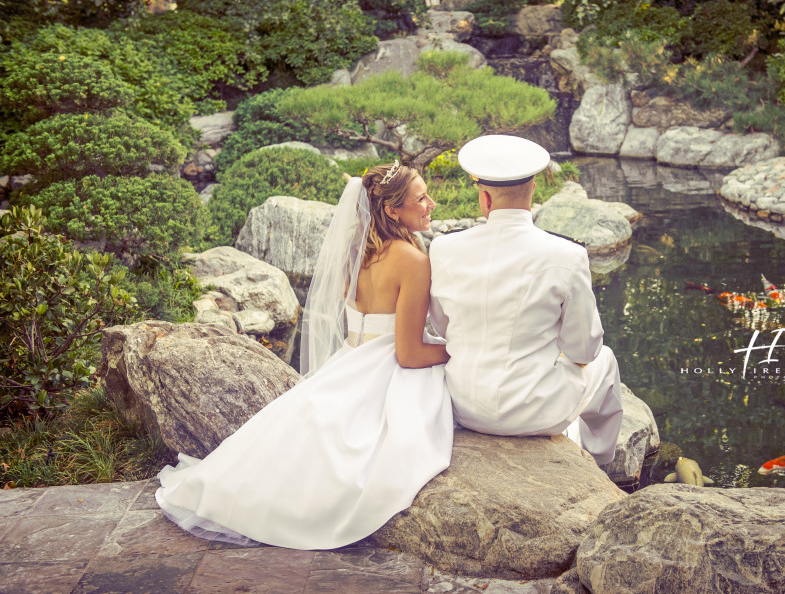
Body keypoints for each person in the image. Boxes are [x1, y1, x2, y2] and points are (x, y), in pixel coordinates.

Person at [155, 161, 453, 550]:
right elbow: (410, 353)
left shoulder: (355, 250)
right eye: (421, 198)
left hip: (350, 357)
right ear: (392, 210)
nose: (431, 203)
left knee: (297, 435)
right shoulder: (413, 261)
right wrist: (456, 350)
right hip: (383, 367)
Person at [428, 135, 624, 466]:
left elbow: (443, 328)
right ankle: (598, 463)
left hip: (463, 405)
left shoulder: (443, 249)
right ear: (532, 192)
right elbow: (583, 350)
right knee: (604, 360)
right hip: (533, 412)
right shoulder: (567, 254)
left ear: (485, 197)